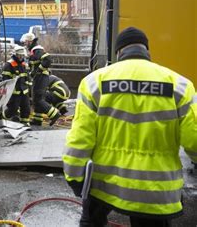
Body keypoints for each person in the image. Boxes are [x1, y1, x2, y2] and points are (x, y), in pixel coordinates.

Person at [62, 27, 197, 226]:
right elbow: (193, 140)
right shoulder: (180, 86)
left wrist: (74, 176)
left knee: (92, 219)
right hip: (155, 191)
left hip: (104, 184)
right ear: (147, 51)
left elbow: (80, 139)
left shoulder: (93, 83)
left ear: (118, 53)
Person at [29, 44, 60, 126]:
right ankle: (37, 120)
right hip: (39, 78)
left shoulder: (38, 52)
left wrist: (40, 69)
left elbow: (47, 59)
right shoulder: (36, 55)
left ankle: (54, 114)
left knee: (39, 99)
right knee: (36, 99)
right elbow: (34, 67)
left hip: (41, 78)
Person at [1, 45, 31, 125]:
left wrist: (29, 90)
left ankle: (25, 123)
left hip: (24, 92)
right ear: (15, 54)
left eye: (22, 55)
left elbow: (27, 78)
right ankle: (2, 116)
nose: (21, 57)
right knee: (12, 109)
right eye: (19, 55)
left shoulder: (24, 65)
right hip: (14, 93)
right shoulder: (9, 65)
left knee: (26, 108)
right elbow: (6, 80)